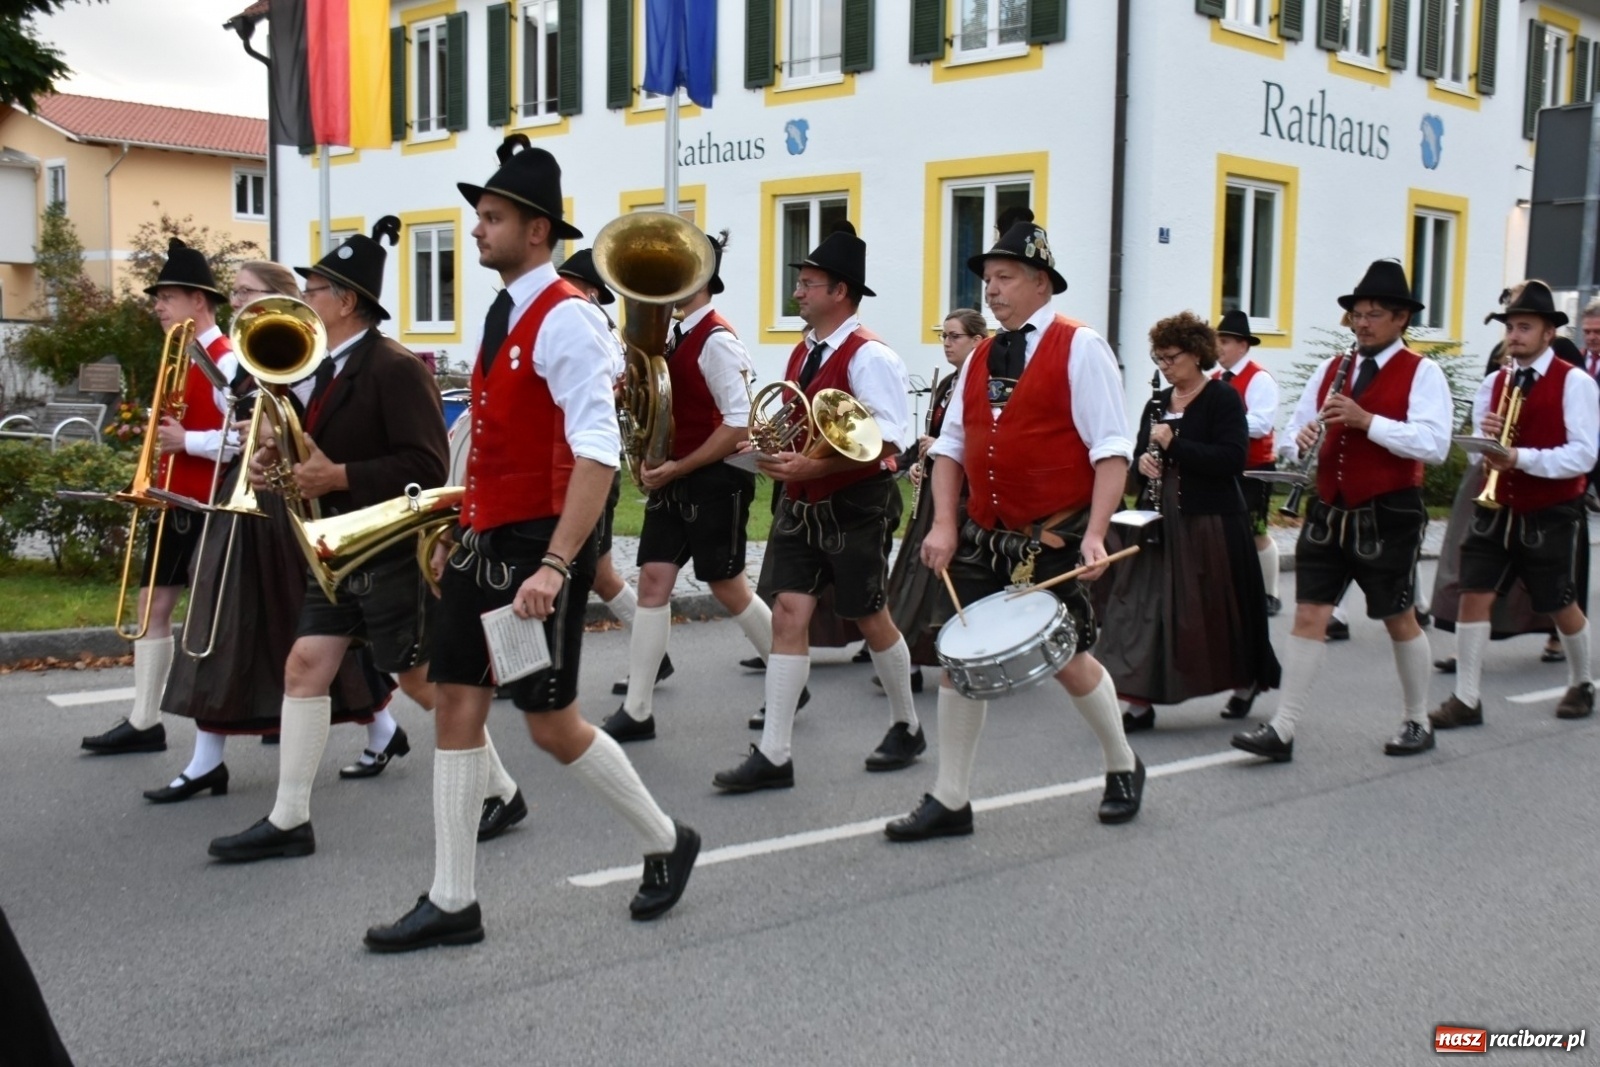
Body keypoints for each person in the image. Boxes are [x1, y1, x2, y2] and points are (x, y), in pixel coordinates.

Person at [365, 137, 699, 952]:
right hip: (490, 542)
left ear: (538, 230)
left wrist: (555, 563)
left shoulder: (571, 320)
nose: (476, 229)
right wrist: (460, 527)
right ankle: (452, 901)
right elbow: (497, 440)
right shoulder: (504, 309)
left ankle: (665, 837)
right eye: (479, 216)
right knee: (455, 700)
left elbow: (595, 450)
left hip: (533, 553)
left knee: (550, 725)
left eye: (492, 217)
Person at [884, 219, 1147, 841]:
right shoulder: (978, 355)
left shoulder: (1081, 347)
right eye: (988, 281)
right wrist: (944, 523)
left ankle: (1122, 762)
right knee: (961, 659)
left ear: (1040, 283)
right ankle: (951, 799)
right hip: (982, 532)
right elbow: (949, 448)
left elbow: (1112, 448)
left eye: (1004, 279)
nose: (993, 292)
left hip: (1049, 536)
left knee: (1067, 659)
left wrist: (1095, 535)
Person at [207, 218, 450, 862]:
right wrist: (269, 464)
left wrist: (337, 474)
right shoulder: (317, 366)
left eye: (311, 289)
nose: (300, 300)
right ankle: (290, 820)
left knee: (421, 683)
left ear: (345, 301)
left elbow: (429, 469)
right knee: (304, 667)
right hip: (335, 551)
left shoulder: (395, 367)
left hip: (386, 548)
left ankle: (497, 787)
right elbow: (302, 447)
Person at [142, 259, 396, 802]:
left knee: (307, 628)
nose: (236, 301)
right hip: (245, 500)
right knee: (219, 620)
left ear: (278, 298)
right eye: (233, 293)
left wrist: (211, 439)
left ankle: (383, 727)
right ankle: (206, 757)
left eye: (246, 292)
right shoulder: (244, 356)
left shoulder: (300, 352)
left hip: (283, 505)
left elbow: (301, 424)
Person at [712, 220, 922, 791]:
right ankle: (775, 754)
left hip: (855, 502)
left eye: (808, 283)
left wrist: (816, 467)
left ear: (840, 292)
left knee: (869, 615)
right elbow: (799, 422)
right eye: (799, 282)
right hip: (802, 501)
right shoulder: (802, 352)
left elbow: (889, 441)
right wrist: (763, 445)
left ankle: (906, 723)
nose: (798, 292)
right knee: (787, 615)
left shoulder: (870, 356)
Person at [1232, 259, 1452, 762]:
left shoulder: (1423, 371)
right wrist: (1301, 439)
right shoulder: (1334, 368)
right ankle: (1283, 729)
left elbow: (1434, 444)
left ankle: (1418, 720)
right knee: (1308, 613)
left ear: (1400, 319)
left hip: (1389, 511)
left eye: (1374, 314)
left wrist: (1367, 420)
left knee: (1399, 618)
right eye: (1358, 314)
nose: (1363, 323)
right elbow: (1293, 433)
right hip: (1330, 508)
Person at [601, 230, 774, 743]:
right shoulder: (671, 337)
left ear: (701, 281)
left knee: (727, 586)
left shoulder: (718, 340)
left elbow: (739, 425)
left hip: (715, 479)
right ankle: (637, 710)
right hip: (677, 477)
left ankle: (787, 673)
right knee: (653, 579)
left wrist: (678, 466)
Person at [80, 239, 235, 757]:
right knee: (153, 604)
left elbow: (246, 437)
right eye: (158, 298)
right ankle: (145, 719)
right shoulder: (182, 354)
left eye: (167, 297)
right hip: (173, 500)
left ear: (200, 301)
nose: (158, 307)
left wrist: (185, 442)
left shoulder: (226, 361)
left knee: (212, 614)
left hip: (205, 503)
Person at [1098, 312, 1281, 729]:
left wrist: (1177, 445)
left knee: (1217, 610)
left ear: (1197, 354)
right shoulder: (1157, 402)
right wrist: (1143, 462)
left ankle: (1244, 680)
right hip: (1157, 519)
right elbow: (1145, 452)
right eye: (1158, 359)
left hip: (1210, 521)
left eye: (1170, 358)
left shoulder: (1222, 398)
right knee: (1143, 607)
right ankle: (1139, 700)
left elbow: (1232, 460)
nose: (1164, 367)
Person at [1429, 281, 1598, 731]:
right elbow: (1476, 454)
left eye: (1525, 327)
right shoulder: (1494, 382)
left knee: (1559, 601)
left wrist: (1519, 457)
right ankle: (1466, 697)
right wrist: (1484, 441)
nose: (1515, 335)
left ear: (1548, 334)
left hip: (1549, 509)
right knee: (1473, 594)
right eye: (1511, 328)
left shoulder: (1574, 382)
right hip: (1495, 505)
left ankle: (1582, 682)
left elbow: (1583, 455)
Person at [554, 248, 674, 697]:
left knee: (575, 571)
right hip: (586, 464)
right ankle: (655, 657)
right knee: (602, 573)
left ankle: (539, 668)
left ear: (586, 291)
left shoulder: (589, 329)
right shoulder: (591, 327)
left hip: (586, 466)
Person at [880, 308, 988, 689]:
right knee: (914, 572)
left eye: (954, 336)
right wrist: (911, 463)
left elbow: (979, 442)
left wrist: (939, 448)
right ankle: (906, 655)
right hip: (934, 493)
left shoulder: (985, 384)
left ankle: (945, 656)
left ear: (978, 341)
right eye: (943, 336)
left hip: (965, 497)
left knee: (945, 580)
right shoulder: (947, 386)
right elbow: (932, 440)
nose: (946, 343)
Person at [1212, 309, 1282, 617]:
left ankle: (1269, 593)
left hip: (1255, 468)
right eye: (1217, 341)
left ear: (1243, 345)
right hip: (1225, 466)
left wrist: (1223, 424)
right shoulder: (1214, 379)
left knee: (1256, 530)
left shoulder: (1259, 378)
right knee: (1224, 530)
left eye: (1224, 341)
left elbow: (1261, 423)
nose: (1218, 348)